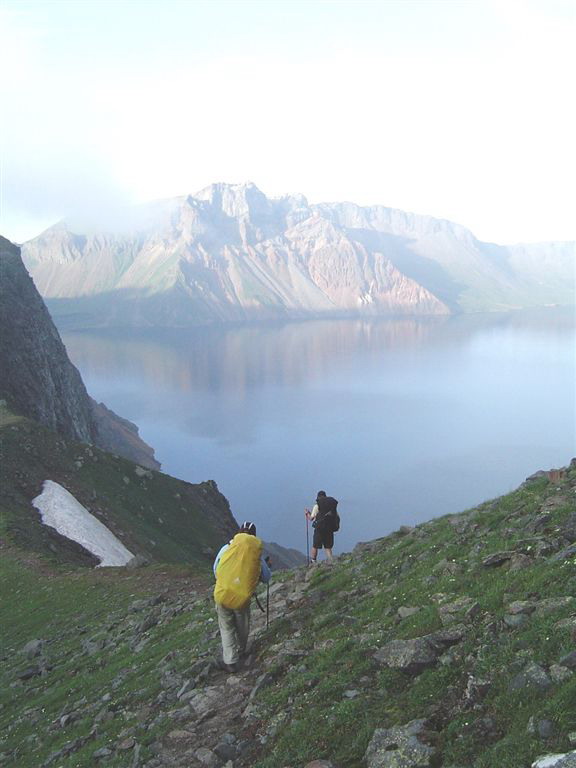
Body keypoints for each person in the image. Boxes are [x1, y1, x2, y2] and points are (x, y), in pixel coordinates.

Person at [213, 521, 271, 672]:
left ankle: (230, 661)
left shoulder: (227, 548)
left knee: (226, 627)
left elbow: (215, 569)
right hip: (242, 599)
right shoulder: (256, 555)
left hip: (222, 594)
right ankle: (242, 650)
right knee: (242, 626)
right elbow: (266, 577)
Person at [305, 490, 338, 564]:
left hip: (319, 529)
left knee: (315, 546)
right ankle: (331, 561)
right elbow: (336, 516)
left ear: (318, 497)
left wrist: (307, 514)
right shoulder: (332, 507)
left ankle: (313, 561)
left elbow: (311, 518)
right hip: (329, 528)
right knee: (328, 547)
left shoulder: (317, 505)